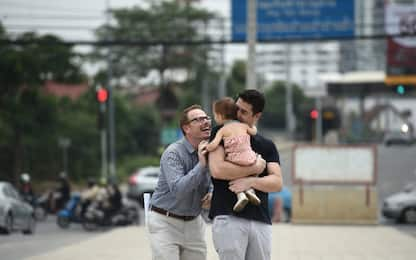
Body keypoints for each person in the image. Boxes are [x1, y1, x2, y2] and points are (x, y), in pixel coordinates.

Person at [208, 89, 283, 260]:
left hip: (260, 220)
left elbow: (277, 182)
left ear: (257, 116)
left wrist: (250, 183)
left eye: (244, 111)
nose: (237, 114)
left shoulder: (266, 145)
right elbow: (217, 170)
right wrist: (254, 169)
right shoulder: (221, 131)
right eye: (237, 108)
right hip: (228, 216)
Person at [147, 104, 213, 260]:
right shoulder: (173, 153)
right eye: (198, 120)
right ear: (186, 128)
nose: (205, 122)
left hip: (194, 223)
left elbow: (214, 180)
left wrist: (212, 192)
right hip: (165, 222)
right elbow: (178, 190)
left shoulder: (212, 150)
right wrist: (201, 164)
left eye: (206, 118)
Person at [205, 97, 261, 212]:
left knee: (233, 174)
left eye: (215, 115)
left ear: (220, 116)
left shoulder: (222, 130)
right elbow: (254, 132)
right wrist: (252, 126)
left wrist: (206, 147)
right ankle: (251, 191)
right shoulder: (243, 126)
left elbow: (213, 145)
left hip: (234, 159)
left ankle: (240, 195)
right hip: (249, 158)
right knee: (250, 171)